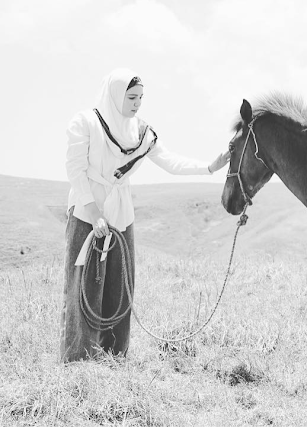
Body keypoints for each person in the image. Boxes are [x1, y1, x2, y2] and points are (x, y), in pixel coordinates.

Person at [60, 68, 230, 362]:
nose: (138, 103)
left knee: (119, 284)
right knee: (84, 285)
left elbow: (170, 161)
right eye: (132, 97)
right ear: (116, 95)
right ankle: (79, 359)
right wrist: (93, 211)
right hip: (89, 213)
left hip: (122, 214)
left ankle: (113, 356)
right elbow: (75, 170)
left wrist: (211, 167)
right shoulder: (85, 123)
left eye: (141, 97)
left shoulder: (142, 133)